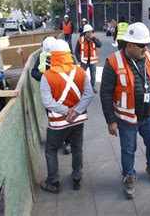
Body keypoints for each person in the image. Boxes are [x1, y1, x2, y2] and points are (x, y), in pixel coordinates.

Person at [100, 22, 150, 200]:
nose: (146, 48)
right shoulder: (113, 63)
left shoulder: (149, 56)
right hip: (126, 119)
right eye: (142, 45)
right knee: (128, 150)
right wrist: (111, 121)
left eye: (147, 44)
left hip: (149, 115)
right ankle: (129, 176)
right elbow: (105, 94)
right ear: (129, 45)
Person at [40, 39, 94, 193]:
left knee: (51, 151)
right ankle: (77, 178)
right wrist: (75, 112)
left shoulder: (47, 76)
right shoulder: (80, 72)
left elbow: (47, 102)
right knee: (77, 148)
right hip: (77, 120)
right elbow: (88, 95)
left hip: (57, 123)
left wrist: (65, 111)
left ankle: (53, 182)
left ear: (53, 57)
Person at [31, 36, 72, 154]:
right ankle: (57, 140)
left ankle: (67, 142)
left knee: (66, 117)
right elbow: (33, 72)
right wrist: (45, 78)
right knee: (52, 118)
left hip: (63, 93)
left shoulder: (63, 56)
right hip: (48, 94)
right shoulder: (42, 57)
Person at [75, 24, 102, 93]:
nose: (90, 33)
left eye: (91, 32)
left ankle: (92, 87)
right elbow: (76, 51)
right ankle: (82, 88)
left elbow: (99, 45)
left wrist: (93, 39)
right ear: (85, 33)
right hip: (84, 62)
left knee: (93, 76)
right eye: (88, 32)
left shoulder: (94, 39)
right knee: (82, 76)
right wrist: (79, 59)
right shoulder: (80, 40)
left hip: (93, 62)